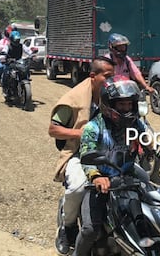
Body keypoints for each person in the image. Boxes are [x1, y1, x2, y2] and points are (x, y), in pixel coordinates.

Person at [74, 76, 160, 256]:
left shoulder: (136, 124)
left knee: (151, 220)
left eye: (130, 104)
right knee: (90, 230)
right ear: (109, 104)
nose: (127, 109)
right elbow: (86, 153)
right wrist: (96, 176)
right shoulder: (93, 127)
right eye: (122, 105)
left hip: (129, 177)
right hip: (100, 183)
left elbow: (155, 145)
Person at [48, 56, 116, 255]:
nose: (112, 80)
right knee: (78, 188)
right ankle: (67, 227)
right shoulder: (73, 99)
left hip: (108, 150)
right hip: (79, 153)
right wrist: (82, 133)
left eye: (114, 75)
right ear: (93, 76)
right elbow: (53, 130)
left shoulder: (110, 93)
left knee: (142, 180)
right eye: (107, 76)